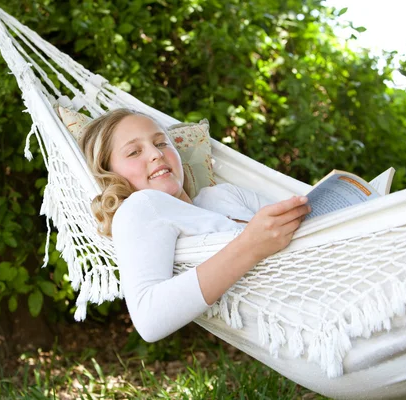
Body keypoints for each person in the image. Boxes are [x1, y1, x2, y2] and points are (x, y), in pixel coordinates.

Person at [78, 108, 311, 342]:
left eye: (161, 143)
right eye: (134, 152)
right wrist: (251, 245)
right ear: (109, 174)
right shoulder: (141, 206)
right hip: (307, 314)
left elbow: (310, 227)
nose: (156, 154)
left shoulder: (222, 194)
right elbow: (149, 319)